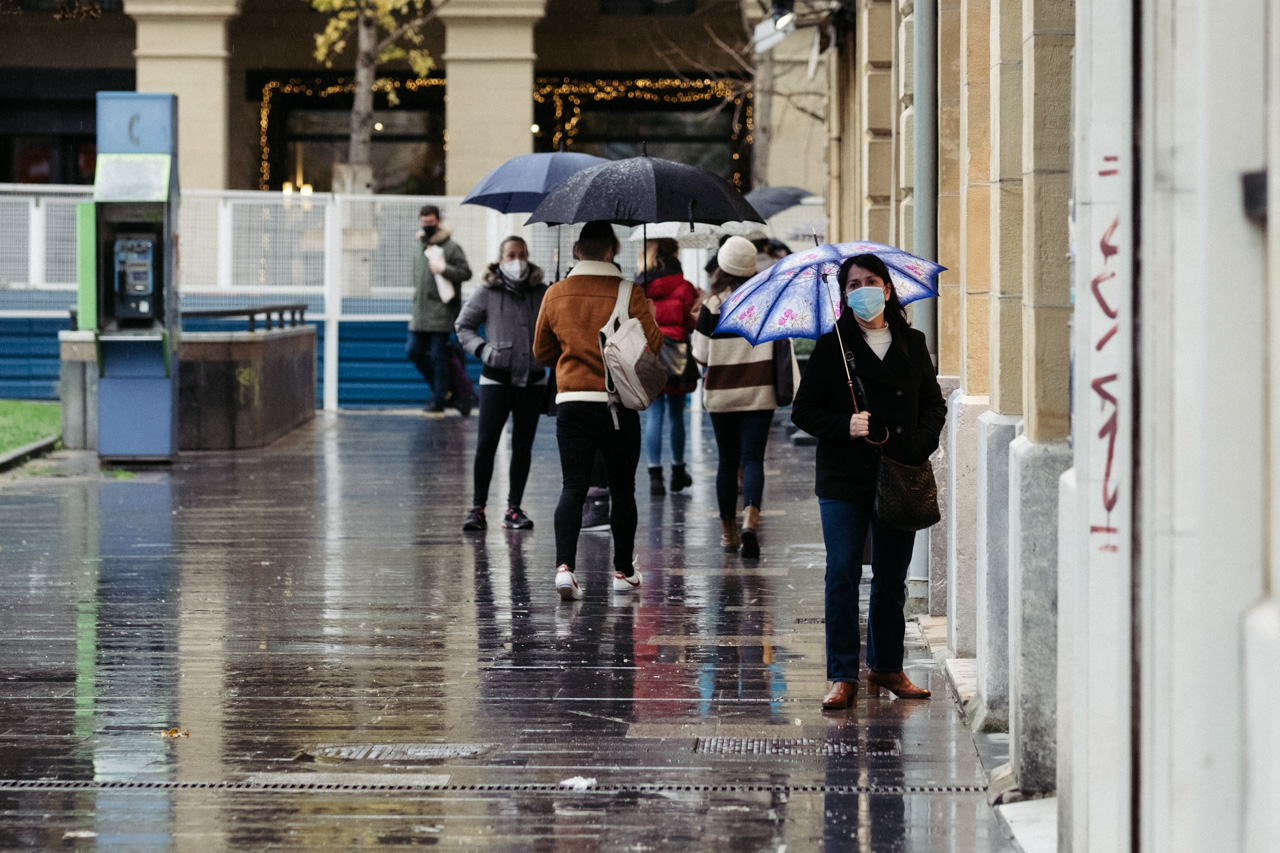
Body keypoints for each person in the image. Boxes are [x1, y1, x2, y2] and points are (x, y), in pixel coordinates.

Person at [790, 253, 947, 711]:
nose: (863, 289)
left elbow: (933, 404)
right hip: (844, 479)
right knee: (841, 573)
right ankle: (842, 675)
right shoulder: (832, 345)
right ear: (844, 295)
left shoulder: (913, 343)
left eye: (871, 280)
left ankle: (886, 666)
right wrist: (846, 426)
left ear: (887, 288)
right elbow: (803, 410)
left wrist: (917, 445)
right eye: (853, 283)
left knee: (891, 579)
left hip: (899, 472)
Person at [533, 221, 663, 601]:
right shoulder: (629, 291)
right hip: (617, 405)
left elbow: (542, 352)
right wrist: (648, 314)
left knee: (573, 486)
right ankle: (623, 572)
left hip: (572, 403)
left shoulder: (555, 293)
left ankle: (564, 570)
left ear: (577, 251)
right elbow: (651, 347)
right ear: (612, 251)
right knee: (622, 489)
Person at [691, 235, 781, 559]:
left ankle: (728, 534)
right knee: (753, 459)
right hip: (760, 393)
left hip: (722, 396)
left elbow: (700, 354)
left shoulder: (712, 305)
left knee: (727, 462)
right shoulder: (766, 301)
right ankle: (750, 523)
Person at [455, 236, 548, 532]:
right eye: (511, 255)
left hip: (533, 380)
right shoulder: (487, 291)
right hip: (496, 380)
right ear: (500, 259)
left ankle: (513, 509)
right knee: (486, 445)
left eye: (522, 254)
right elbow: (463, 326)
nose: (517, 260)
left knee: (523, 446)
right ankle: (477, 508)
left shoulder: (543, 292)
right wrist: (483, 350)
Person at [637, 237, 700, 496]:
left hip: (649, 352)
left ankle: (654, 476)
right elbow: (692, 322)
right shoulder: (684, 286)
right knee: (676, 415)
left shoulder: (640, 286)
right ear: (674, 254)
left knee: (653, 415)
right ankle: (677, 472)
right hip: (677, 355)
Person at [406, 204, 472, 413]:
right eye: (424, 223)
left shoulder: (451, 247)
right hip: (420, 312)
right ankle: (443, 390)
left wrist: (445, 270)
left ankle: (439, 400)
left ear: (438, 222)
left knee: (438, 355)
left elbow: (465, 273)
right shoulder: (418, 247)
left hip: (442, 312)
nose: (427, 227)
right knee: (414, 351)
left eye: (431, 223)